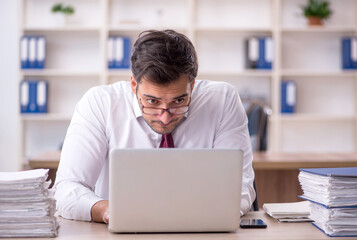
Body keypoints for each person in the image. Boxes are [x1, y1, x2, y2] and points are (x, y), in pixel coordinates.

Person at [54, 29, 256, 223]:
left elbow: (240, 187)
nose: (165, 118)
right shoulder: (100, 103)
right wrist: (107, 210)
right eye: (152, 102)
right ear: (134, 85)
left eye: (178, 101)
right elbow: (67, 189)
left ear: (192, 86)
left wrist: (203, 214)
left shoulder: (222, 100)